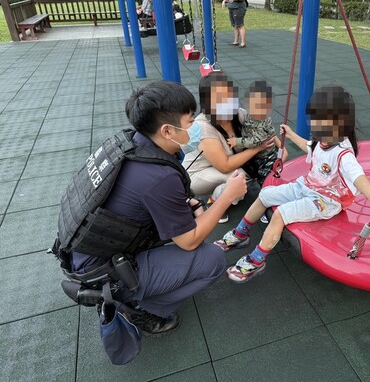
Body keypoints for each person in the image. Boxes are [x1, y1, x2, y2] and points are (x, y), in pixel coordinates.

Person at [58, 81, 248, 337]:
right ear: (168, 131)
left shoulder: (129, 143)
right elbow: (189, 242)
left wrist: (184, 205)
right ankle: (141, 310)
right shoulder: (159, 177)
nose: (196, 128)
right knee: (211, 259)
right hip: (104, 270)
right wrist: (227, 196)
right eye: (191, 122)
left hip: (84, 249)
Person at [214, 85, 370, 284]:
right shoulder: (322, 140)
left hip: (326, 201)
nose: (318, 130)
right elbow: (309, 147)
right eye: (315, 123)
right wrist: (289, 134)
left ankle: (257, 259)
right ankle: (241, 233)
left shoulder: (344, 154)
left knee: (281, 214)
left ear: (342, 124)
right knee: (264, 194)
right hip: (307, 186)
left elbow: (358, 176)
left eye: (323, 125)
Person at [181, 73, 274, 224]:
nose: (228, 102)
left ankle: (220, 192)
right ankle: (217, 203)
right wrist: (257, 148)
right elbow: (224, 166)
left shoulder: (239, 114)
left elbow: (261, 127)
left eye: (230, 96)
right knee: (241, 176)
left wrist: (275, 143)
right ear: (208, 103)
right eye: (220, 99)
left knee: (249, 172)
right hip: (197, 174)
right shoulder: (203, 126)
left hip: (220, 166)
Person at [227, 80, 287, 187]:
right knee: (259, 174)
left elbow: (255, 141)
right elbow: (272, 133)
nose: (259, 111)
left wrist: (236, 141)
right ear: (248, 104)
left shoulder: (263, 122)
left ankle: (268, 191)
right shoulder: (249, 116)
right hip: (257, 156)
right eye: (256, 106)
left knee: (265, 177)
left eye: (264, 107)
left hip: (266, 157)